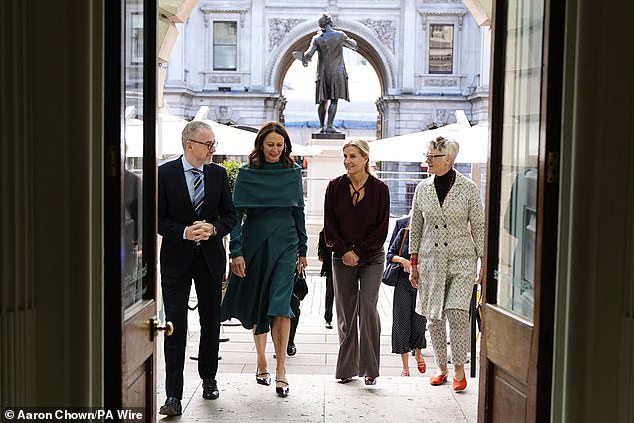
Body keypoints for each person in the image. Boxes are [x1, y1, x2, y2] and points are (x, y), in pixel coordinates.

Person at [220, 121, 308, 398]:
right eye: (270, 144)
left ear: (286, 146)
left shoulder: (293, 172)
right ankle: (261, 360)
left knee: (281, 304)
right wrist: (236, 251)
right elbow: (236, 216)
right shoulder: (247, 173)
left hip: (287, 241)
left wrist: (303, 249)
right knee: (260, 301)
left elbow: (299, 211)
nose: (275, 149)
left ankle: (281, 369)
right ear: (261, 144)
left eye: (279, 145)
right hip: (254, 241)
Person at [157, 121, 237, 416]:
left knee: (211, 322)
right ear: (189, 145)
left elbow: (230, 216)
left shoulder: (217, 174)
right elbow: (156, 218)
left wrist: (214, 229)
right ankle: (173, 396)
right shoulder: (163, 174)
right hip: (176, 260)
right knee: (175, 327)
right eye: (208, 144)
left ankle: (209, 378)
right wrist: (184, 232)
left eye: (213, 144)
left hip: (210, 259)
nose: (213, 149)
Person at [409, 136, 485, 392]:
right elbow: (416, 228)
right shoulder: (423, 189)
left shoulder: (468, 188)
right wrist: (414, 262)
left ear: (448, 159)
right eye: (427, 155)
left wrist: (483, 263)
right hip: (431, 261)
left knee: (457, 312)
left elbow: (479, 225)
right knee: (434, 318)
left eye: (432, 156)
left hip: (462, 259)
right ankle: (441, 366)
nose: (427, 160)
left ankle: (459, 369)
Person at [324, 139, 389, 385]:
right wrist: (343, 251)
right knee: (346, 313)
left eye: (352, 156)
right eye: (345, 156)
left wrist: (358, 253)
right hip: (341, 256)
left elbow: (381, 230)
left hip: (371, 257)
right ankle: (347, 368)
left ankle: (370, 368)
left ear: (365, 159)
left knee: (368, 308)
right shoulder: (334, 187)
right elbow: (330, 227)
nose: (347, 161)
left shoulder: (380, 189)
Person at [300, 12, 357, 133]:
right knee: (334, 99)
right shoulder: (340, 35)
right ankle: (330, 126)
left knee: (322, 100)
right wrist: (348, 40)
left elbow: (308, 55)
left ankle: (322, 127)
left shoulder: (317, 38)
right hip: (338, 72)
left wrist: (304, 58)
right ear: (330, 22)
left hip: (323, 72)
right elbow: (354, 45)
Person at [386, 215, 428, 377]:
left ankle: (418, 352)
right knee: (401, 322)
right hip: (403, 283)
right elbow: (390, 255)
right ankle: (405, 367)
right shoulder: (404, 231)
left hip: (422, 284)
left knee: (419, 322)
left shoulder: (430, 236)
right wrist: (403, 261)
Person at [318, 228, 334, 329]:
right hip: (331, 261)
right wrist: (321, 250)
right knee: (330, 291)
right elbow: (323, 232)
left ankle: (328, 319)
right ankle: (328, 318)